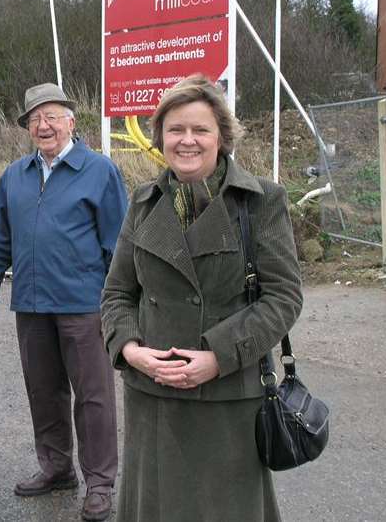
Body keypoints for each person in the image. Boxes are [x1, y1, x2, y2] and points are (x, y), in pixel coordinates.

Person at [100, 74, 304, 521]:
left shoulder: (261, 201)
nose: (187, 140)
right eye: (175, 130)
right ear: (160, 138)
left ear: (222, 137)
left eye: (200, 130)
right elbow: (116, 293)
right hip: (153, 396)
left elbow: (284, 297)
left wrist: (216, 356)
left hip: (229, 397)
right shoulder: (143, 202)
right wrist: (131, 351)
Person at [0, 83, 128, 522]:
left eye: (52, 116)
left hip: (84, 305)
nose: (44, 126)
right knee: (44, 392)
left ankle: (99, 482)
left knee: (93, 396)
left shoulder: (99, 171)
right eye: (35, 119)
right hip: (31, 305)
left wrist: (120, 302)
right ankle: (57, 467)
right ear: (27, 127)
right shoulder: (14, 176)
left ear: (71, 121)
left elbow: (118, 245)